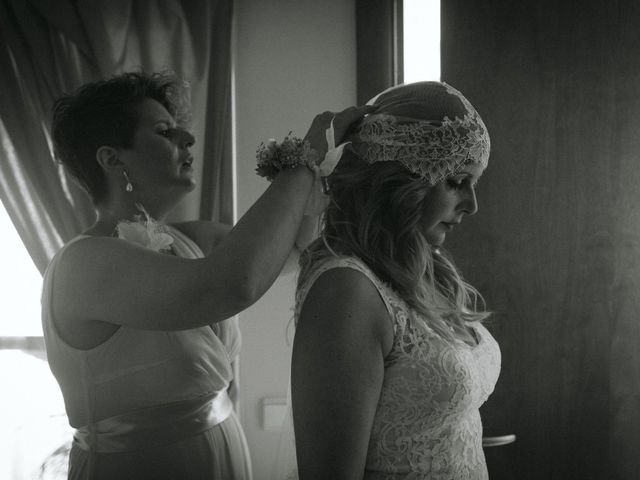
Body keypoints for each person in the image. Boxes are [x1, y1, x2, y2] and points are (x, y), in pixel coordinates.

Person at [41, 71, 369, 480]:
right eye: (165, 132)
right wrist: (301, 159)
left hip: (224, 452)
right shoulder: (82, 264)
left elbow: (295, 248)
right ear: (112, 158)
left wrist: (324, 167)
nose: (188, 140)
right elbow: (234, 284)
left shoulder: (193, 239)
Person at [284, 81, 501, 479]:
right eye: (455, 181)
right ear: (401, 179)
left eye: (474, 182)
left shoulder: (428, 269)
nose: (472, 204)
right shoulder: (346, 291)